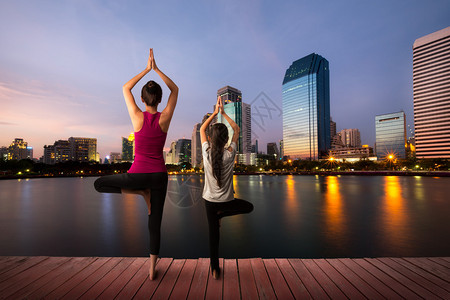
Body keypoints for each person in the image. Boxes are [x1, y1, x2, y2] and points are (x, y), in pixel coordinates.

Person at [94, 48, 178, 280]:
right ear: (160, 100)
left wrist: (146, 69)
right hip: (160, 176)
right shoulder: (165, 117)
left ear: (142, 99)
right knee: (155, 223)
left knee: (99, 184)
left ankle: (140, 192)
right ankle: (152, 269)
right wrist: (157, 69)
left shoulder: (137, 116)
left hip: (137, 176)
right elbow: (176, 89)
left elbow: (125, 88)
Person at [200, 96, 254, 279]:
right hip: (226, 201)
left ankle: (214, 269)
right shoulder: (230, 153)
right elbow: (237, 129)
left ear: (211, 139)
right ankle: (222, 214)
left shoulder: (206, 152)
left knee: (213, 236)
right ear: (226, 140)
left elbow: (201, 129)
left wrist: (215, 113)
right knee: (249, 207)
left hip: (209, 202)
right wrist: (223, 113)